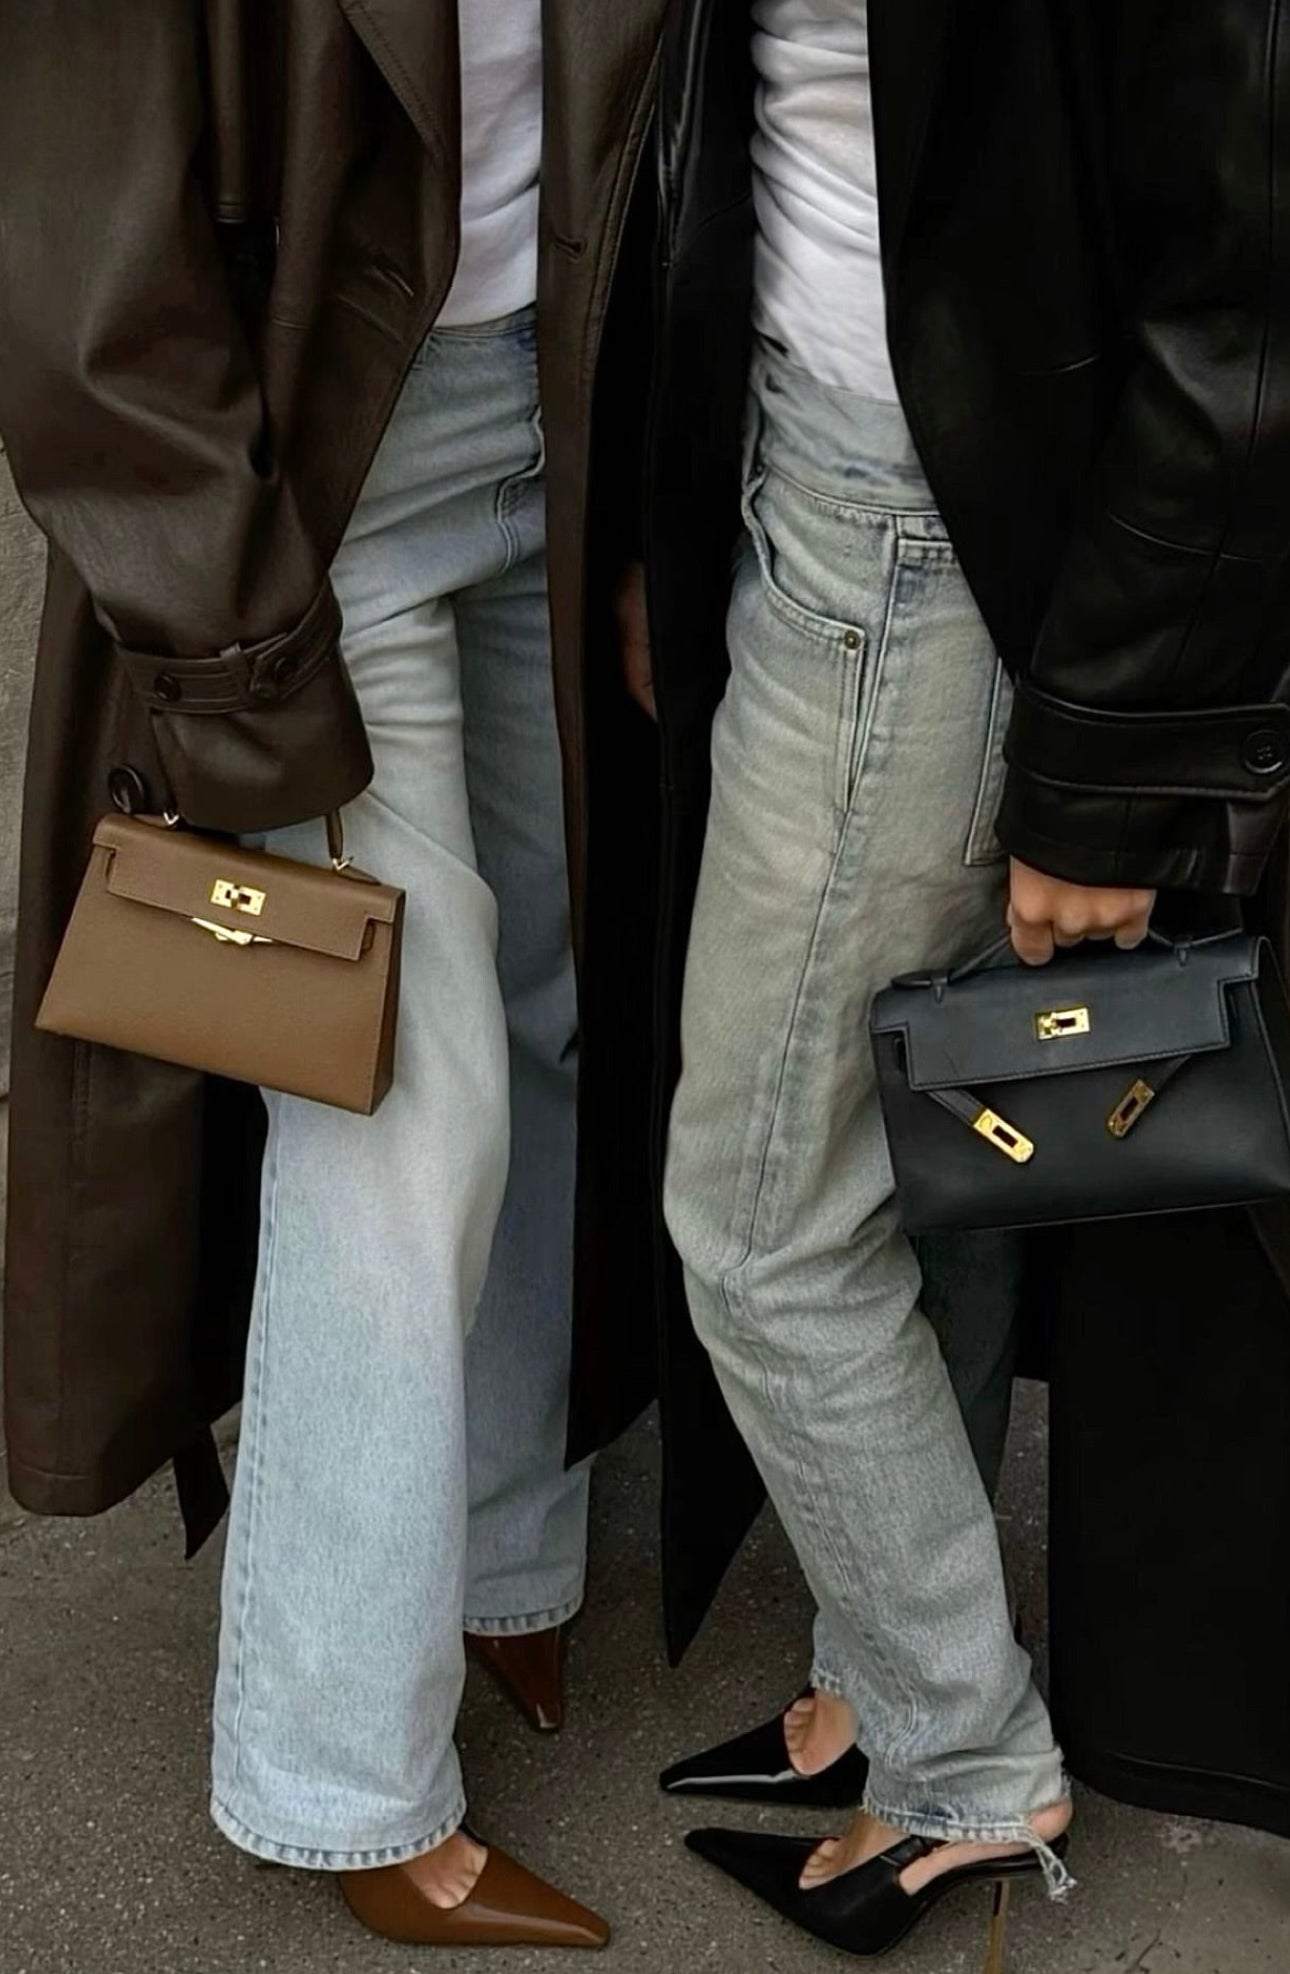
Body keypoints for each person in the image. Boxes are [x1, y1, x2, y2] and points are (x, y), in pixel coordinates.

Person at [0, 0, 670, 1950]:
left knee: (548, 1014)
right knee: (395, 1099)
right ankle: (339, 1766)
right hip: (320, 480)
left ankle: (499, 1558)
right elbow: (78, 273)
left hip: (567, 423)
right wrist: (231, 640)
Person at [623, 0, 1290, 1959]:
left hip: (916, 539)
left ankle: (963, 1760)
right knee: (936, 1150)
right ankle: (876, 1670)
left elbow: (1245, 299)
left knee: (757, 1224)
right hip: (822, 458)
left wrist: (1094, 768)